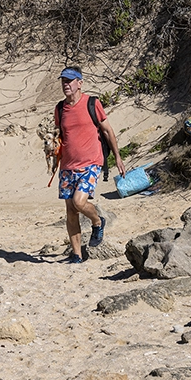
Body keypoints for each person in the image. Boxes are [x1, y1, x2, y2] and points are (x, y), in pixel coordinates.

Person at [54, 66, 125, 263]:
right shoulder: (60, 109)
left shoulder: (92, 103)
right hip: (67, 165)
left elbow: (108, 131)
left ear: (80, 83)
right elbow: (59, 136)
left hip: (91, 163)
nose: (66, 85)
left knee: (79, 202)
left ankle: (97, 221)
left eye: (69, 81)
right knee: (70, 212)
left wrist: (117, 157)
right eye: (63, 81)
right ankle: (77, 255)